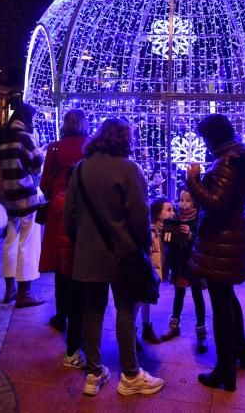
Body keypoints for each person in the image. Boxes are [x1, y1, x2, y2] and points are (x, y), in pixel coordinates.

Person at [63, 117, 165, 397]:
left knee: (92, 311)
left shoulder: (81, 169)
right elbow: (139, 217)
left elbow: (69, 216)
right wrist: (142, 246)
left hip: (88, 254)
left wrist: (82, 241)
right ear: (124, 139)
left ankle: (93, 373)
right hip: (123, 254)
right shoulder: (129, 169)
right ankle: (130, 374)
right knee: (125, 309)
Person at [187, 113, 245, 392]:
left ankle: (225, 370)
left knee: (220, 306)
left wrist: (193, 181)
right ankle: (241, 353)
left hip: (222, 240)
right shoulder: (239, 154)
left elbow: (216, 203)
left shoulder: (226, 161)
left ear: (211, 138)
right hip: (232, 237)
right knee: (226, 296)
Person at [38, 108, 88, 367]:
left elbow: (45, 181)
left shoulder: (55, 149)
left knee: (60, 261)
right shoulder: (90, 146)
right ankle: (83, 313)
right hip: (83, 206)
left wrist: (55, 191)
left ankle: (62, 314)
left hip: (59, 207)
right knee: (79, 257)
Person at [0, 105, 45, 307]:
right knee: (28, 243)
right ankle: (25, 292)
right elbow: (37, 164)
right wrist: (41, 150)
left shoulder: (5, 140)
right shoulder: (24, 138)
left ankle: (10, 289)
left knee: (10, 241)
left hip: (10, 197)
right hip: (27, 198)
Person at [160, 186, 208, 353]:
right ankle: (174, 325)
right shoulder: (175, 217)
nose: (183, 204)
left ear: (195, 202)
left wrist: (190, 235)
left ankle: (201, 332)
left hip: (193, 264)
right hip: (179, 263)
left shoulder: (199, 219)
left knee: (197, 296)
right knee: (179, 294)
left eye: (188, 200)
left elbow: (202, 241)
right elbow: (168, 239)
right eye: (181, 200)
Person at [135, 196, 169, 349]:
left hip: (152, 274)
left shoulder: (164, 230)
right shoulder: (151, 231)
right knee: (138, 301)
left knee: (147, 300)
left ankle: (146, 327)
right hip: (144, 273)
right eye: (168, 210)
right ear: (157, 214)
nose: (172, 213)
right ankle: (131, 333)